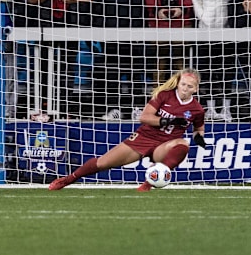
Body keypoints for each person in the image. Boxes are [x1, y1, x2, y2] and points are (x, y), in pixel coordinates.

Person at [49, 68, 206, 191]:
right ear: (178, 83)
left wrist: (199, 137)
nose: (185, 88)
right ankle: (68, 179)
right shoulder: (164, 95)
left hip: (164, 146)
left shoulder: (197, 109)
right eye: (183, 84)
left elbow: (198, 128)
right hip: (144, 138)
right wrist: (167, 120)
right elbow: (144, 117)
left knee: (182, 144)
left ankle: (148, 184)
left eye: (190, 86)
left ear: (196, 89)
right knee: (103, 163)